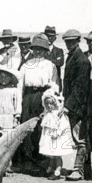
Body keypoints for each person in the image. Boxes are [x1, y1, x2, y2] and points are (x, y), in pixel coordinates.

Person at [19, 34, 59, 173]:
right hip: (28, 97)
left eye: (41, 49)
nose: (38, 52)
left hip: (43, 97)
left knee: (41, 129)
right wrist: (19, 106)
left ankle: (41, 162)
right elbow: (20, 87)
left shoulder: (50, 65)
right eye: (35, 49)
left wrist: (49, 99)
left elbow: (54, 85)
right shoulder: (26, 65)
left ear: (46, 51)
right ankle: (28, 162)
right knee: (27, 127)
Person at [60, 30, 91, 181]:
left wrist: (68, 105)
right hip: (74, 104)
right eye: (67, 42)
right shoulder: (73, 57)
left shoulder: (81, 60)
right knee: (77, 136)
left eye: (72, 42)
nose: (69, 44)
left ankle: (79, 170)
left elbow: (80, 87)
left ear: (78, 41)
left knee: (80, 138)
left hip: (79, 106)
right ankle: (83, 169)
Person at [39, 89, 75, 180]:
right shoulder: (47, 114)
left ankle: (57, 171)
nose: (49, 106)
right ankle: (50, 168)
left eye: (51, 104)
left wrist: (58, 133)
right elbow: (45, 124)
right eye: (47, 104)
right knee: (51, 155)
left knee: (57, 155)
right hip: (49, 137)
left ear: (55, 103)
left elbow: (63, 125)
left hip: (56, 137)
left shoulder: (59, 114)